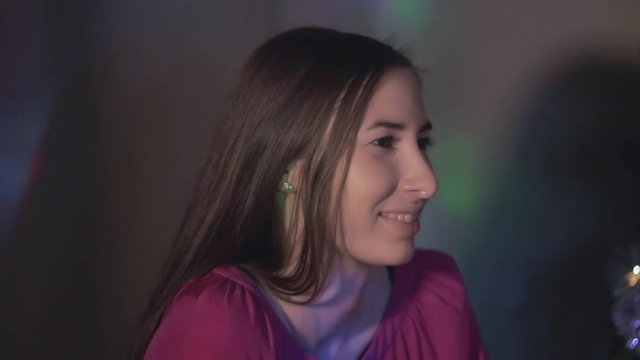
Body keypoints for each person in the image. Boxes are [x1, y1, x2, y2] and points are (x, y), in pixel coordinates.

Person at [133, 27, 486, 360]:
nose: (428, 181)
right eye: (383, 142)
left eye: (422, 142)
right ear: (289, 166)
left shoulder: (437, 295)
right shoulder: (217, 322)